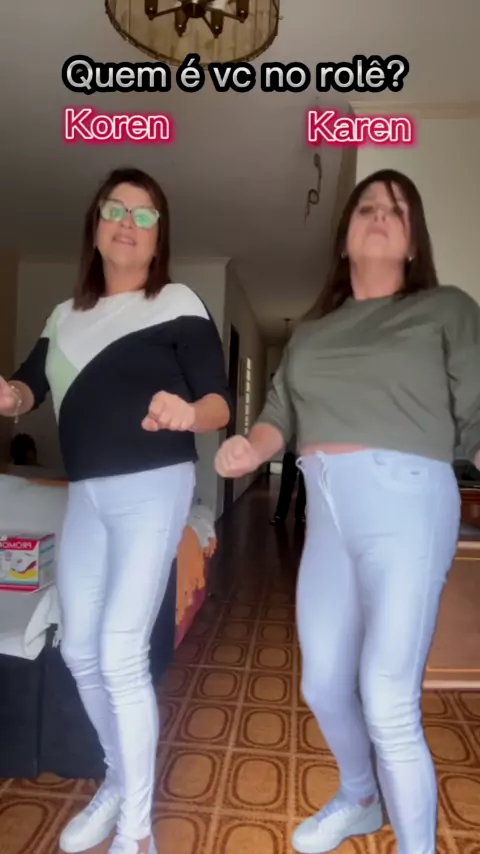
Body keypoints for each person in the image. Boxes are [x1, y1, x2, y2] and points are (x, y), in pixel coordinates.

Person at [214, 168, 480, 854]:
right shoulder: (311, 334)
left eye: (397, 209)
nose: (380, 214)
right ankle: (361, 798)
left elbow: (476, 408)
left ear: (414, 242)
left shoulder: (446, 310)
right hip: (328, 511)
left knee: (387, 698)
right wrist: (249, 447)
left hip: (408, 502)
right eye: (367, 206)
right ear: (344, 238)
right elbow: (278, 416)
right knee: (324, 684)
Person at [0, 167, 231, 854]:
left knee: (121, 653)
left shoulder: (178, 303)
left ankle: (137, 832)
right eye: (115, 210)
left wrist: (187, 412)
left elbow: (219, 403)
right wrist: (10, 397)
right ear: (95, 226)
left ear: (159, 237)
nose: (128, 223)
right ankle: (117, 778)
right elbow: (28, 387)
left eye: (144, 214)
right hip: (87, 494)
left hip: (154, 485)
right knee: (78, 648)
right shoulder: (63, 317)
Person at [270, 432, 306, 524]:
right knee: (286, 484)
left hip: (307, 454)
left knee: (304, 485)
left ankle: (300, 515)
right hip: (291, 452)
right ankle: (280, 515)